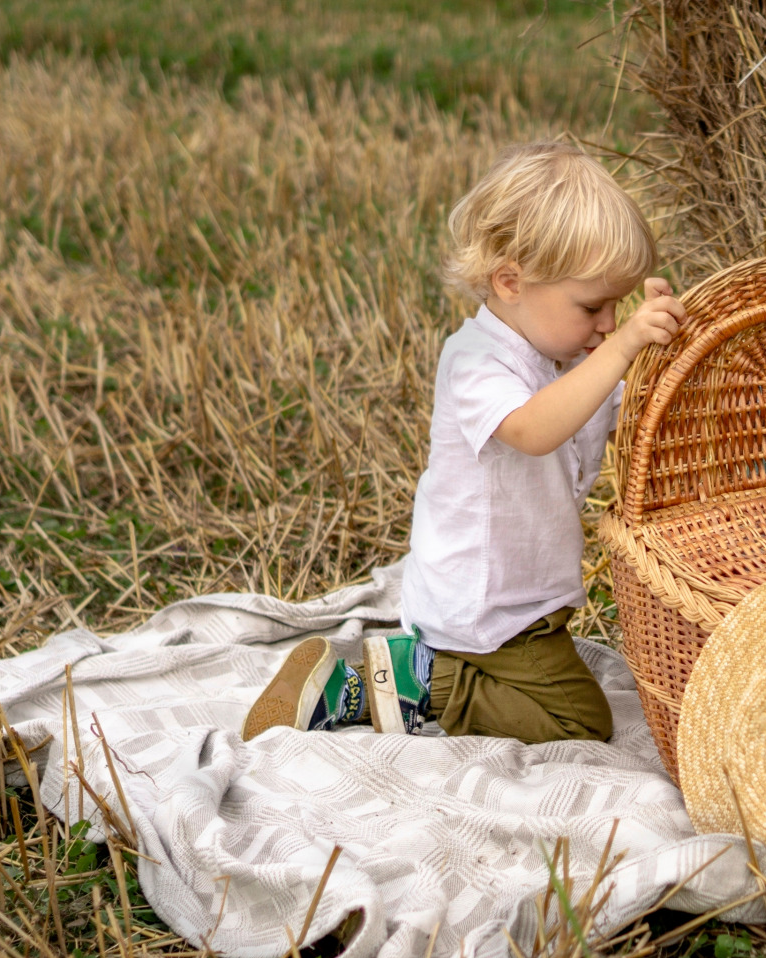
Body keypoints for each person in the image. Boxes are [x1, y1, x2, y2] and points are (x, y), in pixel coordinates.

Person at [241, 142, 686, 744]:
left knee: (566, 701)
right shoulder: (475, 361)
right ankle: (404, 682)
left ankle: (422, 671)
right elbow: (533, 428)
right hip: (487, 613)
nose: (608, 324)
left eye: (617, 307)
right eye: (593, 305)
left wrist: (667, 353)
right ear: (510, 281)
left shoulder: (564, 361)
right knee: (580, 721)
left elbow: (627, 408)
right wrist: (620, 348)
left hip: (524, 606)